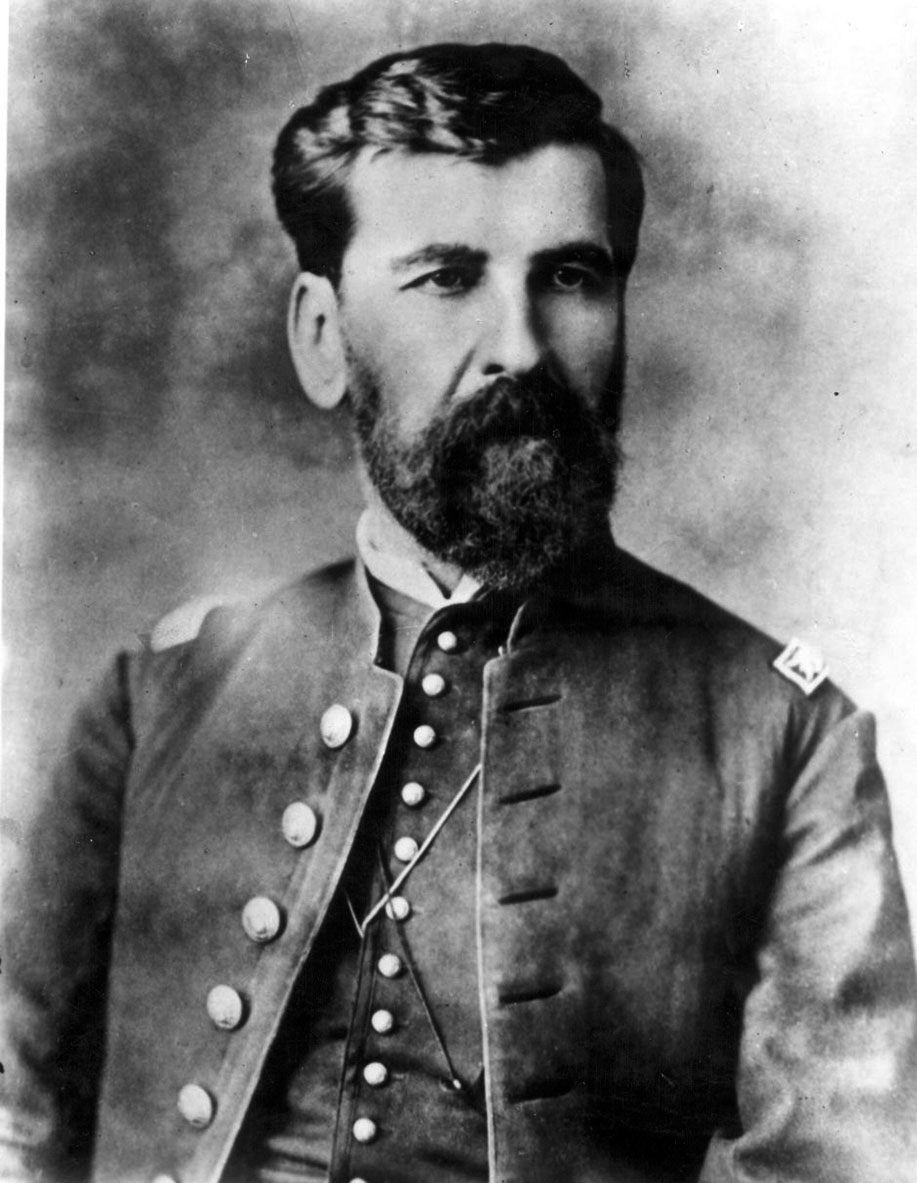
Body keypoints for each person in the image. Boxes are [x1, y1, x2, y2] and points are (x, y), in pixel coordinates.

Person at [2, 41, 916, 1183]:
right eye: (445, 279)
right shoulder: (159, 696)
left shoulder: (780, 736)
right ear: (323, 337)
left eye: (570, 277)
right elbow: (15, 1118)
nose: (519, 348)